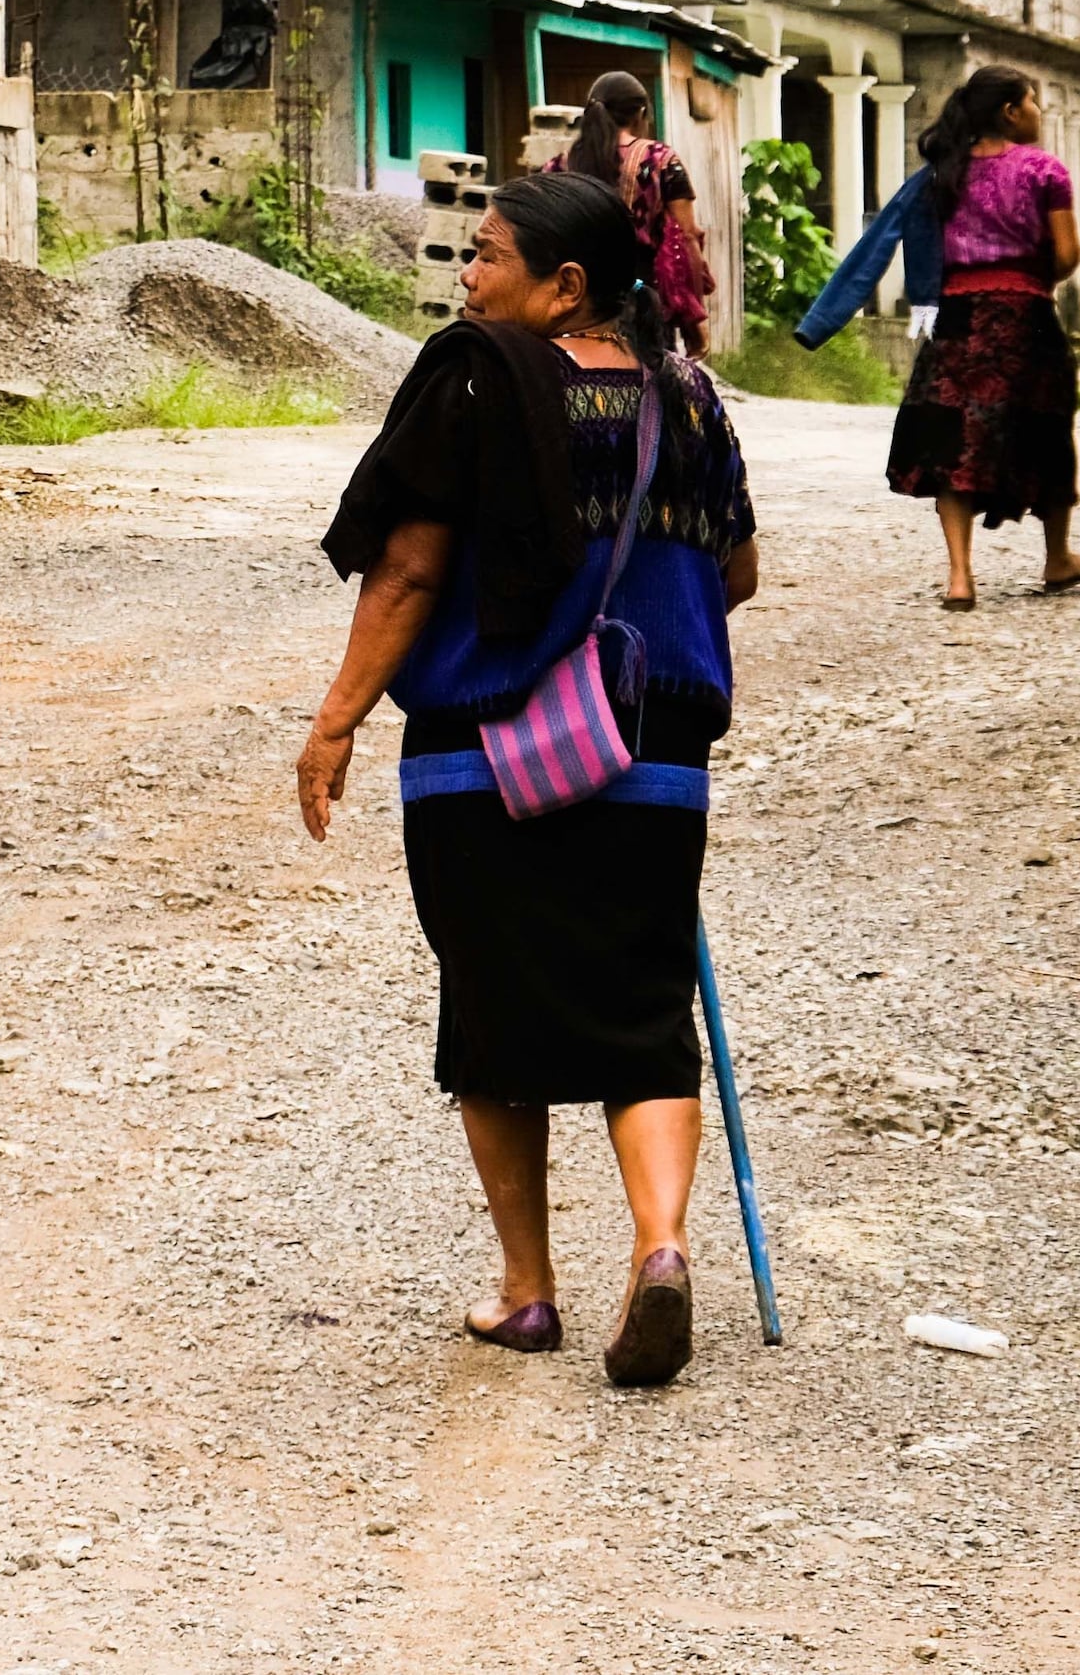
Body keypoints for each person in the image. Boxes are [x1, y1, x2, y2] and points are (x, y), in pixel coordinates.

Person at [298, 169, 762, 1389]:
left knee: (493, 1010)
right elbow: (738, 573)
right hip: (652, 748)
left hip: (483, 753)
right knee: (644, 1014)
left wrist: (336, 720)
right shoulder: (693, 399)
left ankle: (525, 1293)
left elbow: (402, 576)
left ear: (563, 286)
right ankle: (658, 1250)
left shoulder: (473, 384)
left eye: (488, 256)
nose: (467, 277)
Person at [881, 67, 1080, 608]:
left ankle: (959, 576)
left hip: (955, 316)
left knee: (952, 433)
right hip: (1025, 317)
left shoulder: (941, 175)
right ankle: (1058, 560)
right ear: (1011, 112)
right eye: (1035, 102)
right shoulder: (1045, 171)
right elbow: (1066, 257)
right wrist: (1033, 269)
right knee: (1044, 428)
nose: (1040, 113)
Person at [565, 68, 717, 354]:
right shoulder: (660, 160)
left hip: (575, 300)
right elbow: (687, 238)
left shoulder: (561, 164)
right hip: (642, 300)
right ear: (641, 113)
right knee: (651, 388)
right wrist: (694, 318)